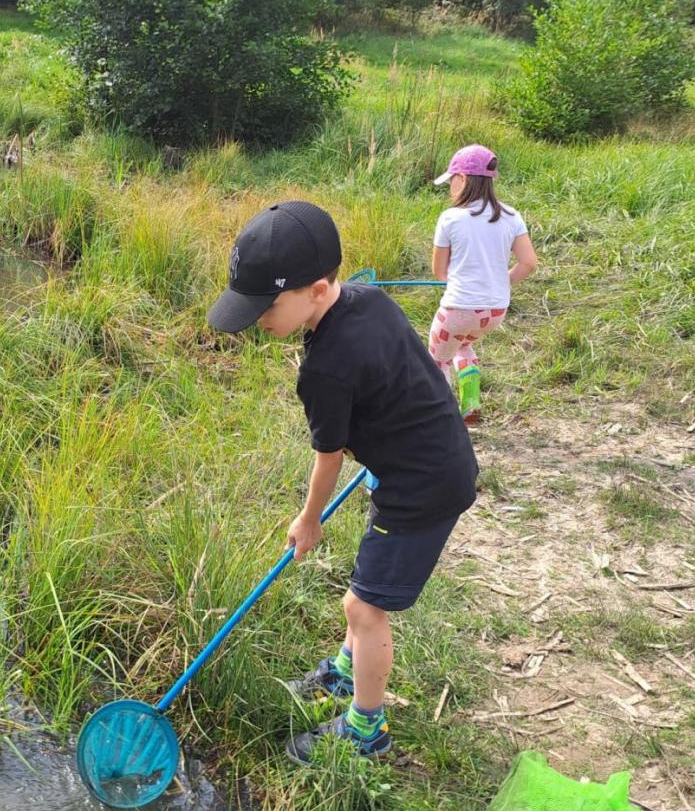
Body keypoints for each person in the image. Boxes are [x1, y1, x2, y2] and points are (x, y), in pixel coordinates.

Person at [206, 200, 477, 763]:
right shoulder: (365, 297)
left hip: (422, 485)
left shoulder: (325, 370)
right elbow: (399, 377)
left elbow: (327, 457)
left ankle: (366, 729)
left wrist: (308, 520)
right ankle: (346, 671)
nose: (257, 320)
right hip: (421, 459)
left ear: (316, 289)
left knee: (363, 607)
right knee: (365, 590)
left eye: (266, 307)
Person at [429, 144, 537, 426]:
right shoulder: (511, 216)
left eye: (452, 179)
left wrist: (455, 278)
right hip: (494, 312)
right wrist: (501, 283)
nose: (450, 186)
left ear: (463, 179)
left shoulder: (450, 218)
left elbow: (439, 272)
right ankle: (471, 404)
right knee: (462, 346)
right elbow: (529, 263)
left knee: (438, 360)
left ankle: (442, 420)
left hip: (459, 309)